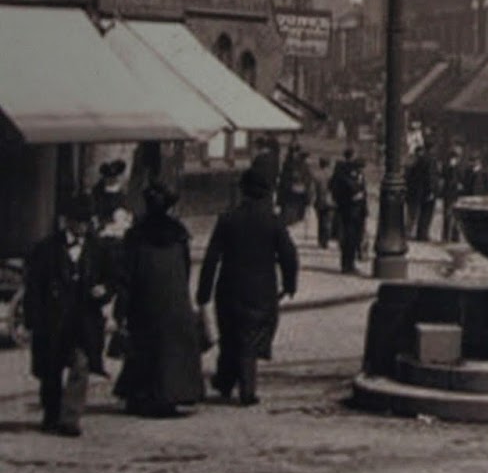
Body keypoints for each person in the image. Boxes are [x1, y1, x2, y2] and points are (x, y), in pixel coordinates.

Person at [196, 164, 299, 405]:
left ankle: (225, 381)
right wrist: (290, 283)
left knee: (231, 336)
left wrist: (203, 292)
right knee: (250, 339)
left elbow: (212, 257)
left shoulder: (228, 219)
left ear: (242, 191)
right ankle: (246, 389)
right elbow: (288, 255)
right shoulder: (273, 222)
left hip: (229, 288)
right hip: (262, 291)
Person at [23, 193, 114, 436]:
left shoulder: (99, 248)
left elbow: (113, 278)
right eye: (78, 221)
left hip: (83, 321)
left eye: (87, 221)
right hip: (53, 321)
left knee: (81, 365)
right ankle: (51, 414)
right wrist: (31, 319)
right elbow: (34, 287)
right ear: (67, 221)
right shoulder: (46, 249)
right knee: (50, 370)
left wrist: (104, 290)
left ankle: (70, 418)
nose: (83, 227)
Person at [112, 183, 205, 417]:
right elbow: (185, 269)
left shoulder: (136, 235)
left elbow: (125, 276)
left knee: (144, 348)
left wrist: (120, 311)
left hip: (144, 300)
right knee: (171, 351)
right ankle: (172, 394)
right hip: (174, 300)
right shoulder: (179, 234)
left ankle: (141, 395)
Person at [330, 150, 369, 275]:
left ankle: (351, 263)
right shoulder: (344, 175)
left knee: (355, 238)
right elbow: (341, 189)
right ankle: (347, 265)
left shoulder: (357, 176)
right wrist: (353, 196)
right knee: (349, 239)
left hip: (358, 211)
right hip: (349, 211)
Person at [407, 140, 439, 241]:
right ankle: (423, 235)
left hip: (420, 191)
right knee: (427, 214)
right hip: (428, 192)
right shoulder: (431, 160)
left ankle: (420, 234)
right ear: (432, 148)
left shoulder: (421, 159)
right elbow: (430, 177)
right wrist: (431, 191)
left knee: (422, 214)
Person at [439, 147, 464, 243]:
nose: (455, 158)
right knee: (447, 215)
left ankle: (455, 236)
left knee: (456, 216)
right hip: (448, 194)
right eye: (453, 156)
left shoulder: (461, 166)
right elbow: (444, 177)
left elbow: (462, 178)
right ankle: (445, 236)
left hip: (457, 194)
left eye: (456, 156)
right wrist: (451, 167)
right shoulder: (447, 166)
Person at [313, 157, 335, 250]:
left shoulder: (316, 175)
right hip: (331, 201)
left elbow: (312, 189)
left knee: (320, 221)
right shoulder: (332, 175)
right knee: (328, 221)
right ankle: (325, 240)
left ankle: (320, 240)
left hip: (319, 200)